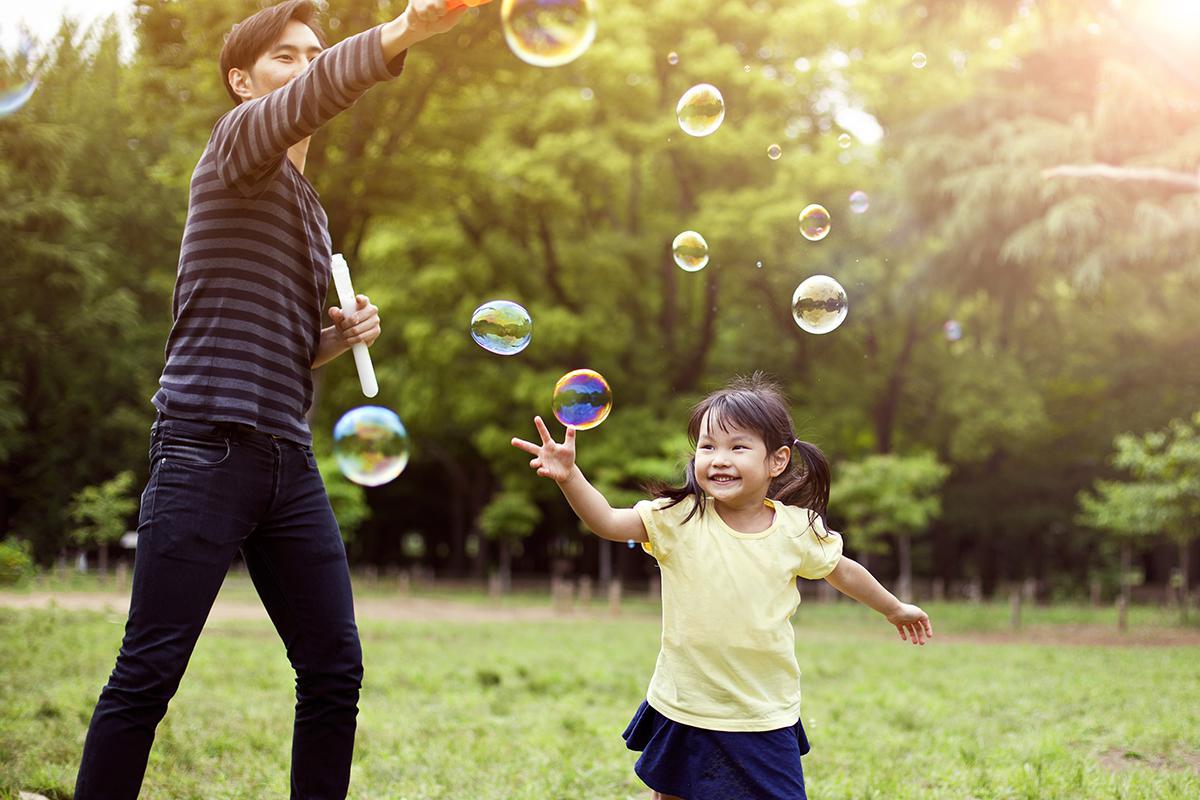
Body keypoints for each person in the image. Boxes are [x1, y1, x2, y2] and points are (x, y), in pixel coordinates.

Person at [73, 2, 466, 798]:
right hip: (205, 447)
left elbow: (285, 348)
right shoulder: (236, 146)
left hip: (286, 457)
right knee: (147, 674)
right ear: (242, 80)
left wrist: (334, 340)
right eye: (287, 57)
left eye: (311, 53)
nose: (305, 66)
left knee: (333, 671)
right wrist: (401, 33)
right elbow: (316, 93)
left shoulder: (310, 208)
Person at [511, 373, 933, 800]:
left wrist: (893, 607)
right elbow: (606, 522)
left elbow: (842, 570)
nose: (718, 458)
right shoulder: (679, 518)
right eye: (708, 447)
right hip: (686, 702)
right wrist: (570, 477)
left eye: (737, 447)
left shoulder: (795, 529)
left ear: (777, 460)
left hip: (761, 711)